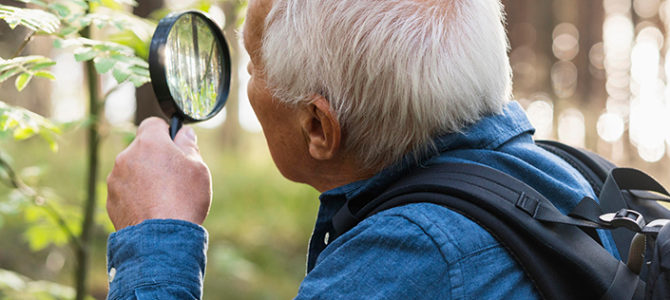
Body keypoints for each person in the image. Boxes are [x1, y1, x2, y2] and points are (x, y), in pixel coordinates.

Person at [105, 0, 620, 299]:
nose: (248, 83)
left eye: (253, 64)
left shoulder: (406, 261)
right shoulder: (564, 176)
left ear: (318, 127)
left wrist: (155, 239)